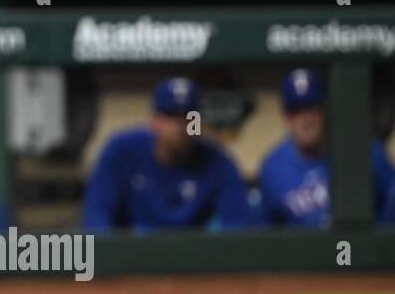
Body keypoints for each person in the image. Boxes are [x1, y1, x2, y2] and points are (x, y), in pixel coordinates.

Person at [82, 77, 254, 231]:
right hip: (132, 257)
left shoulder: (218, 161)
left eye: (189, 116)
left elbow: (240, 227)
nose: (180, 124)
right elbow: (97, 216)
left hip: (192, 257)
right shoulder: (122, 150)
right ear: (153, 120)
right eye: (170, 116)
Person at [257, 68, 395, 226]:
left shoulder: (364, 149)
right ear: (285, 117)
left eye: (312, 108)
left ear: (326, 109)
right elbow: (267, 235)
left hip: (359, 249)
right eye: (295, 111)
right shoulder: (272, 168)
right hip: (305, 251)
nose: (305, 120)